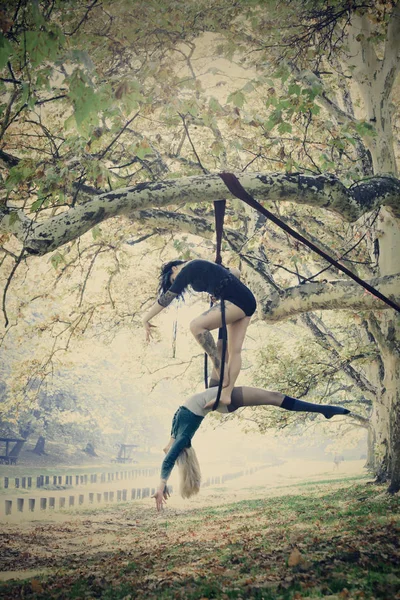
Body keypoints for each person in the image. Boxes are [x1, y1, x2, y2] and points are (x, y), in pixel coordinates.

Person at [152, 385, 351, 511]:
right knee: (274, 397)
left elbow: (170, 443)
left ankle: (225, 324)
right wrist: (161, 485)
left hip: (216, 394)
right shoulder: (183, 439)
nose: (169, 452)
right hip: (222, 400)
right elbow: (169, 460)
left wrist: (169, 445)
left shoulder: (175, 433)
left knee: (221, 353)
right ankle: (324, 410)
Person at [142, 259, 257, 406]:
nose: (176, 282)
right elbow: (235, 272)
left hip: (237, 301)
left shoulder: (189, 267)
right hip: (245, 301)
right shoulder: (201, 268)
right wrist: (219, 290)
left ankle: (219, 365)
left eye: (173, 279)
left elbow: (166, 299)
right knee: (234, 351)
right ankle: (226, 395)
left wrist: (145, 319)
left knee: (196, 326)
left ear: (175, 268)